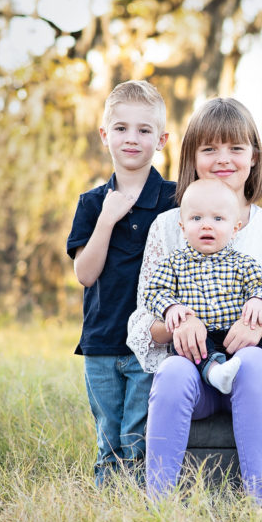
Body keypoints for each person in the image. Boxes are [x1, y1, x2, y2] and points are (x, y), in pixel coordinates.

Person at [126, 97, 262, 504]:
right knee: (172, 371)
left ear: (254, 156)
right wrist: (178, 322)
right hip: (197, 371)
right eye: (209, 149)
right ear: (192, 157)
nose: (223, 159)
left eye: (235, 148)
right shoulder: (167, 227)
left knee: (257, 359)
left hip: (258, 375)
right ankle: (158, 504)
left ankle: (260, 501)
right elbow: (142, 322)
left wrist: (258, 326)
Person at [66, 80, 177, 486]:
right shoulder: (92, 203)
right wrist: (108, 218)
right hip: (100, 339)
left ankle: (139, 502)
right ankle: (106, 506)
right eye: (121, 128)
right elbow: (85, 273)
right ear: (104, 134)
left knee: (138, 435)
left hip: (151, 340)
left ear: (162, 139)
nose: (132, 139)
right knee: (107, 438)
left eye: (145, 130)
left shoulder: (174, 199)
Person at [142, 178, 262, 398]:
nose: (206, 225)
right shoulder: (173, 263)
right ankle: (215, 372)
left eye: (218, 219)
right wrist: (171, 308)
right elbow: (154, 292)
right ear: (182, 228)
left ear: (235, 228)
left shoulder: (242, 263)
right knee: (191, 345)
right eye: (196, 218)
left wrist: (258, 301)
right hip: (201, 332)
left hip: (239, 335)